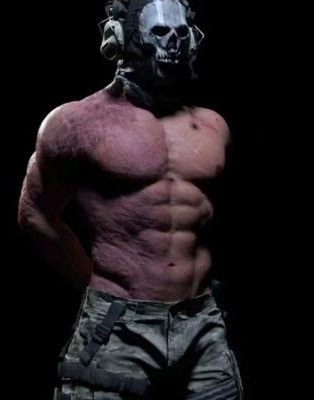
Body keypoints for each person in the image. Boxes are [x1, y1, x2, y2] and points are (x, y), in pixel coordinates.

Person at [18, 0, 243, 398]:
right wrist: (96, 288)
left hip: (202, 324)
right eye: (159, 32)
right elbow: (34, 214)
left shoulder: (213, 126)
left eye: (181, 34)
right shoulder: (74, 123)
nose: (173, 43)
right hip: (118, 322)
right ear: (121, 38)